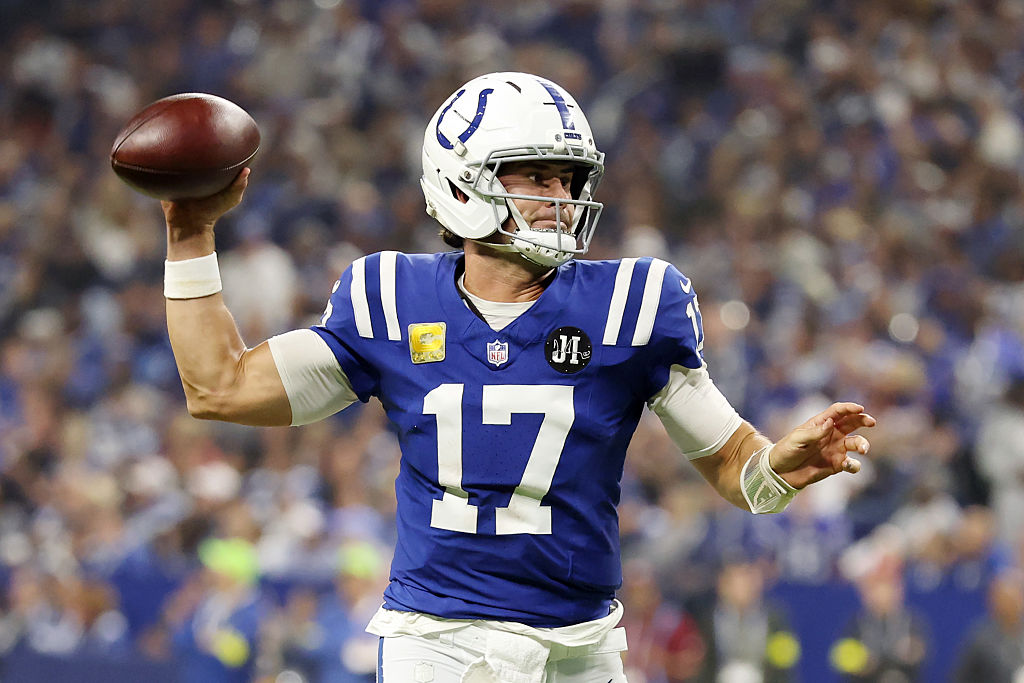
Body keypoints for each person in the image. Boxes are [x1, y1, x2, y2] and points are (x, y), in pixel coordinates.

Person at [157, 72, 875, 682]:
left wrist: (776, 467)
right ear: (462, 180)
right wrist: (191, 231)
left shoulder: (632, 305)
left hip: (582, 647)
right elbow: (219, 387)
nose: (559, 195)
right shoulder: (389, 298)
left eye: (567, 176)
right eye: (534, 173)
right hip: (438, 644)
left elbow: (732, 463)